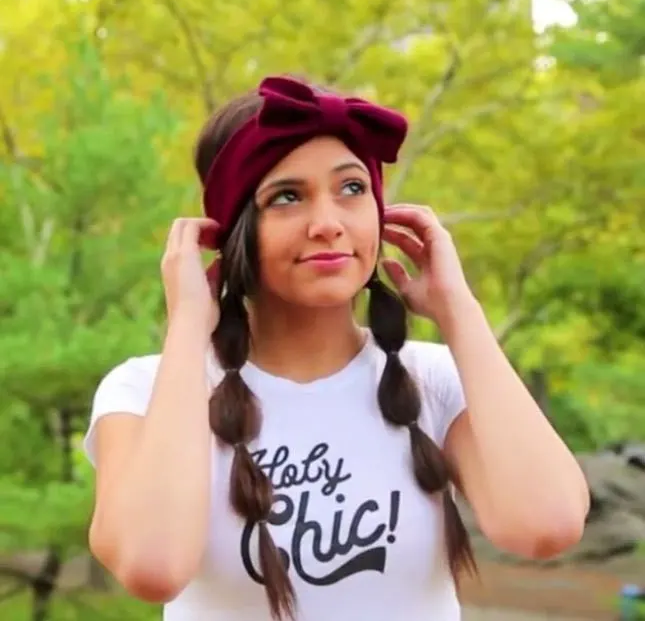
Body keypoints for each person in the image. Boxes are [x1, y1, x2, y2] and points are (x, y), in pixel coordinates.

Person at [83, 76, 590, 621]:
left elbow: (546, 526)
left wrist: (459, 311)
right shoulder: (145, 389)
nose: (327, 224)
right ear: (234, 233)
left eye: (352, 189)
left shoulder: (435, 380)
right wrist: (187, 326)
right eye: (286, 197)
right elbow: (151, 565)